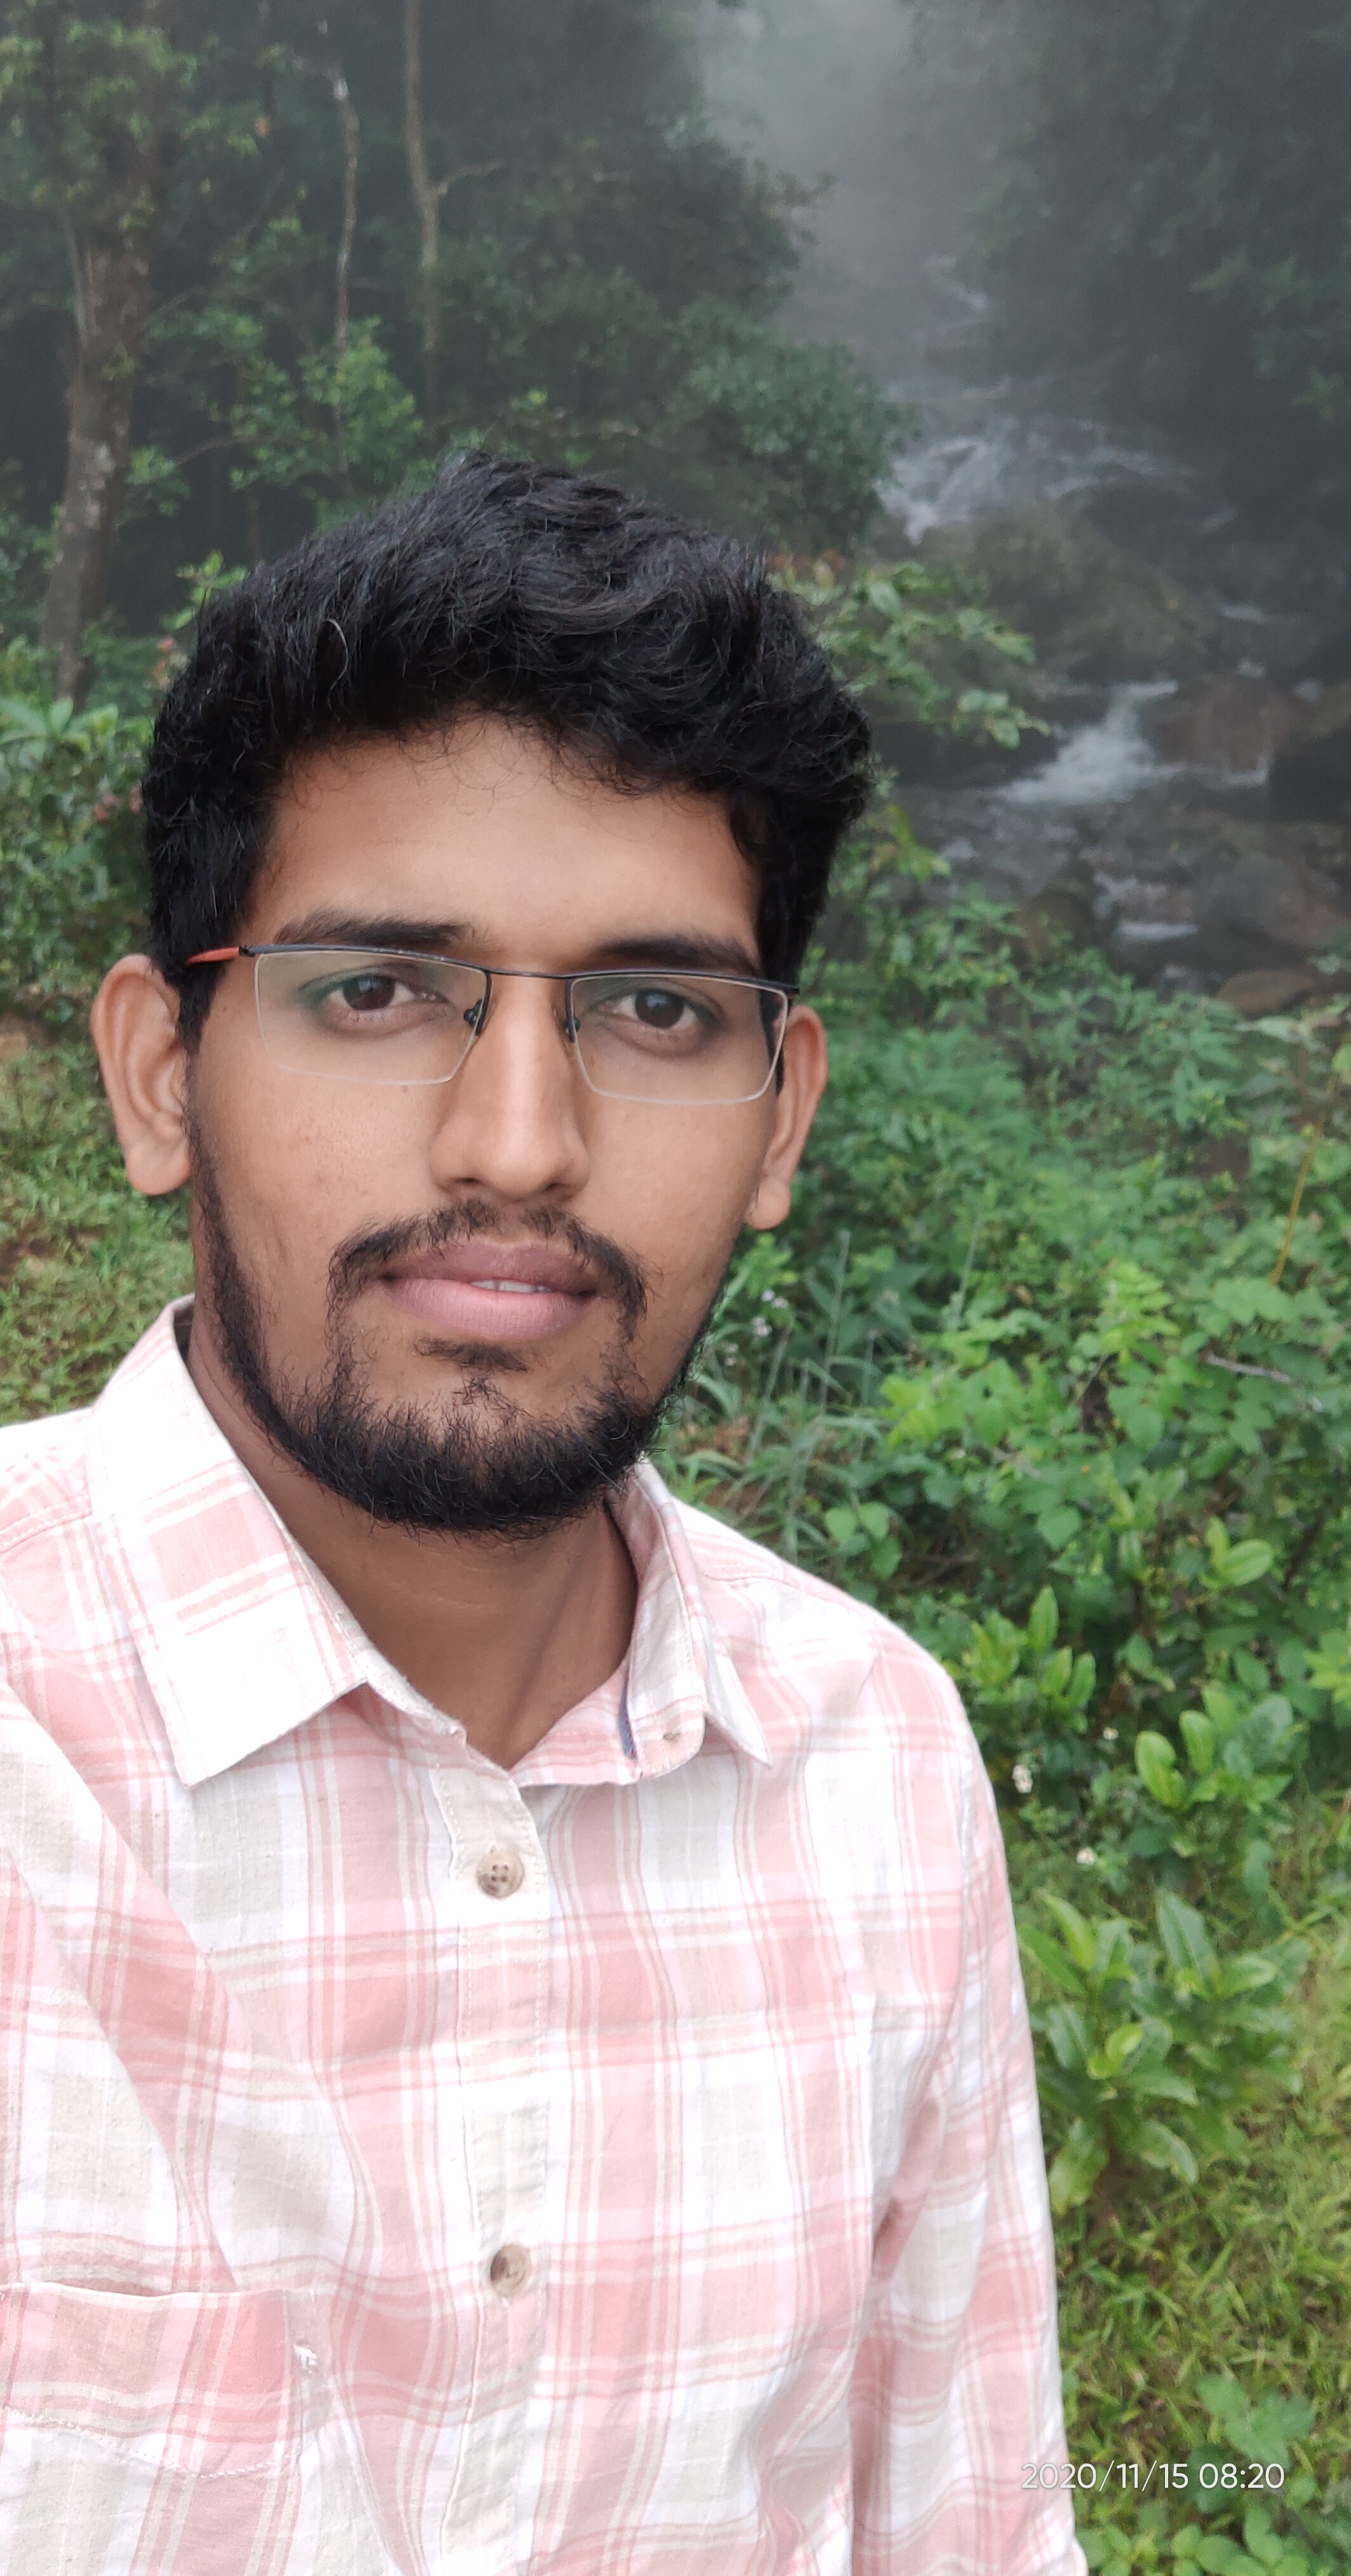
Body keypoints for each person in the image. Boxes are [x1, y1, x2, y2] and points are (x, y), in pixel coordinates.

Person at [0, 454, 1082, 2575]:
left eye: (655, 1010)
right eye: (378, 989)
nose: (518, 1144)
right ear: (159, 1075)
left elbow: (969, 2526)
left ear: (780, 1119)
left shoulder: (876, 1762)